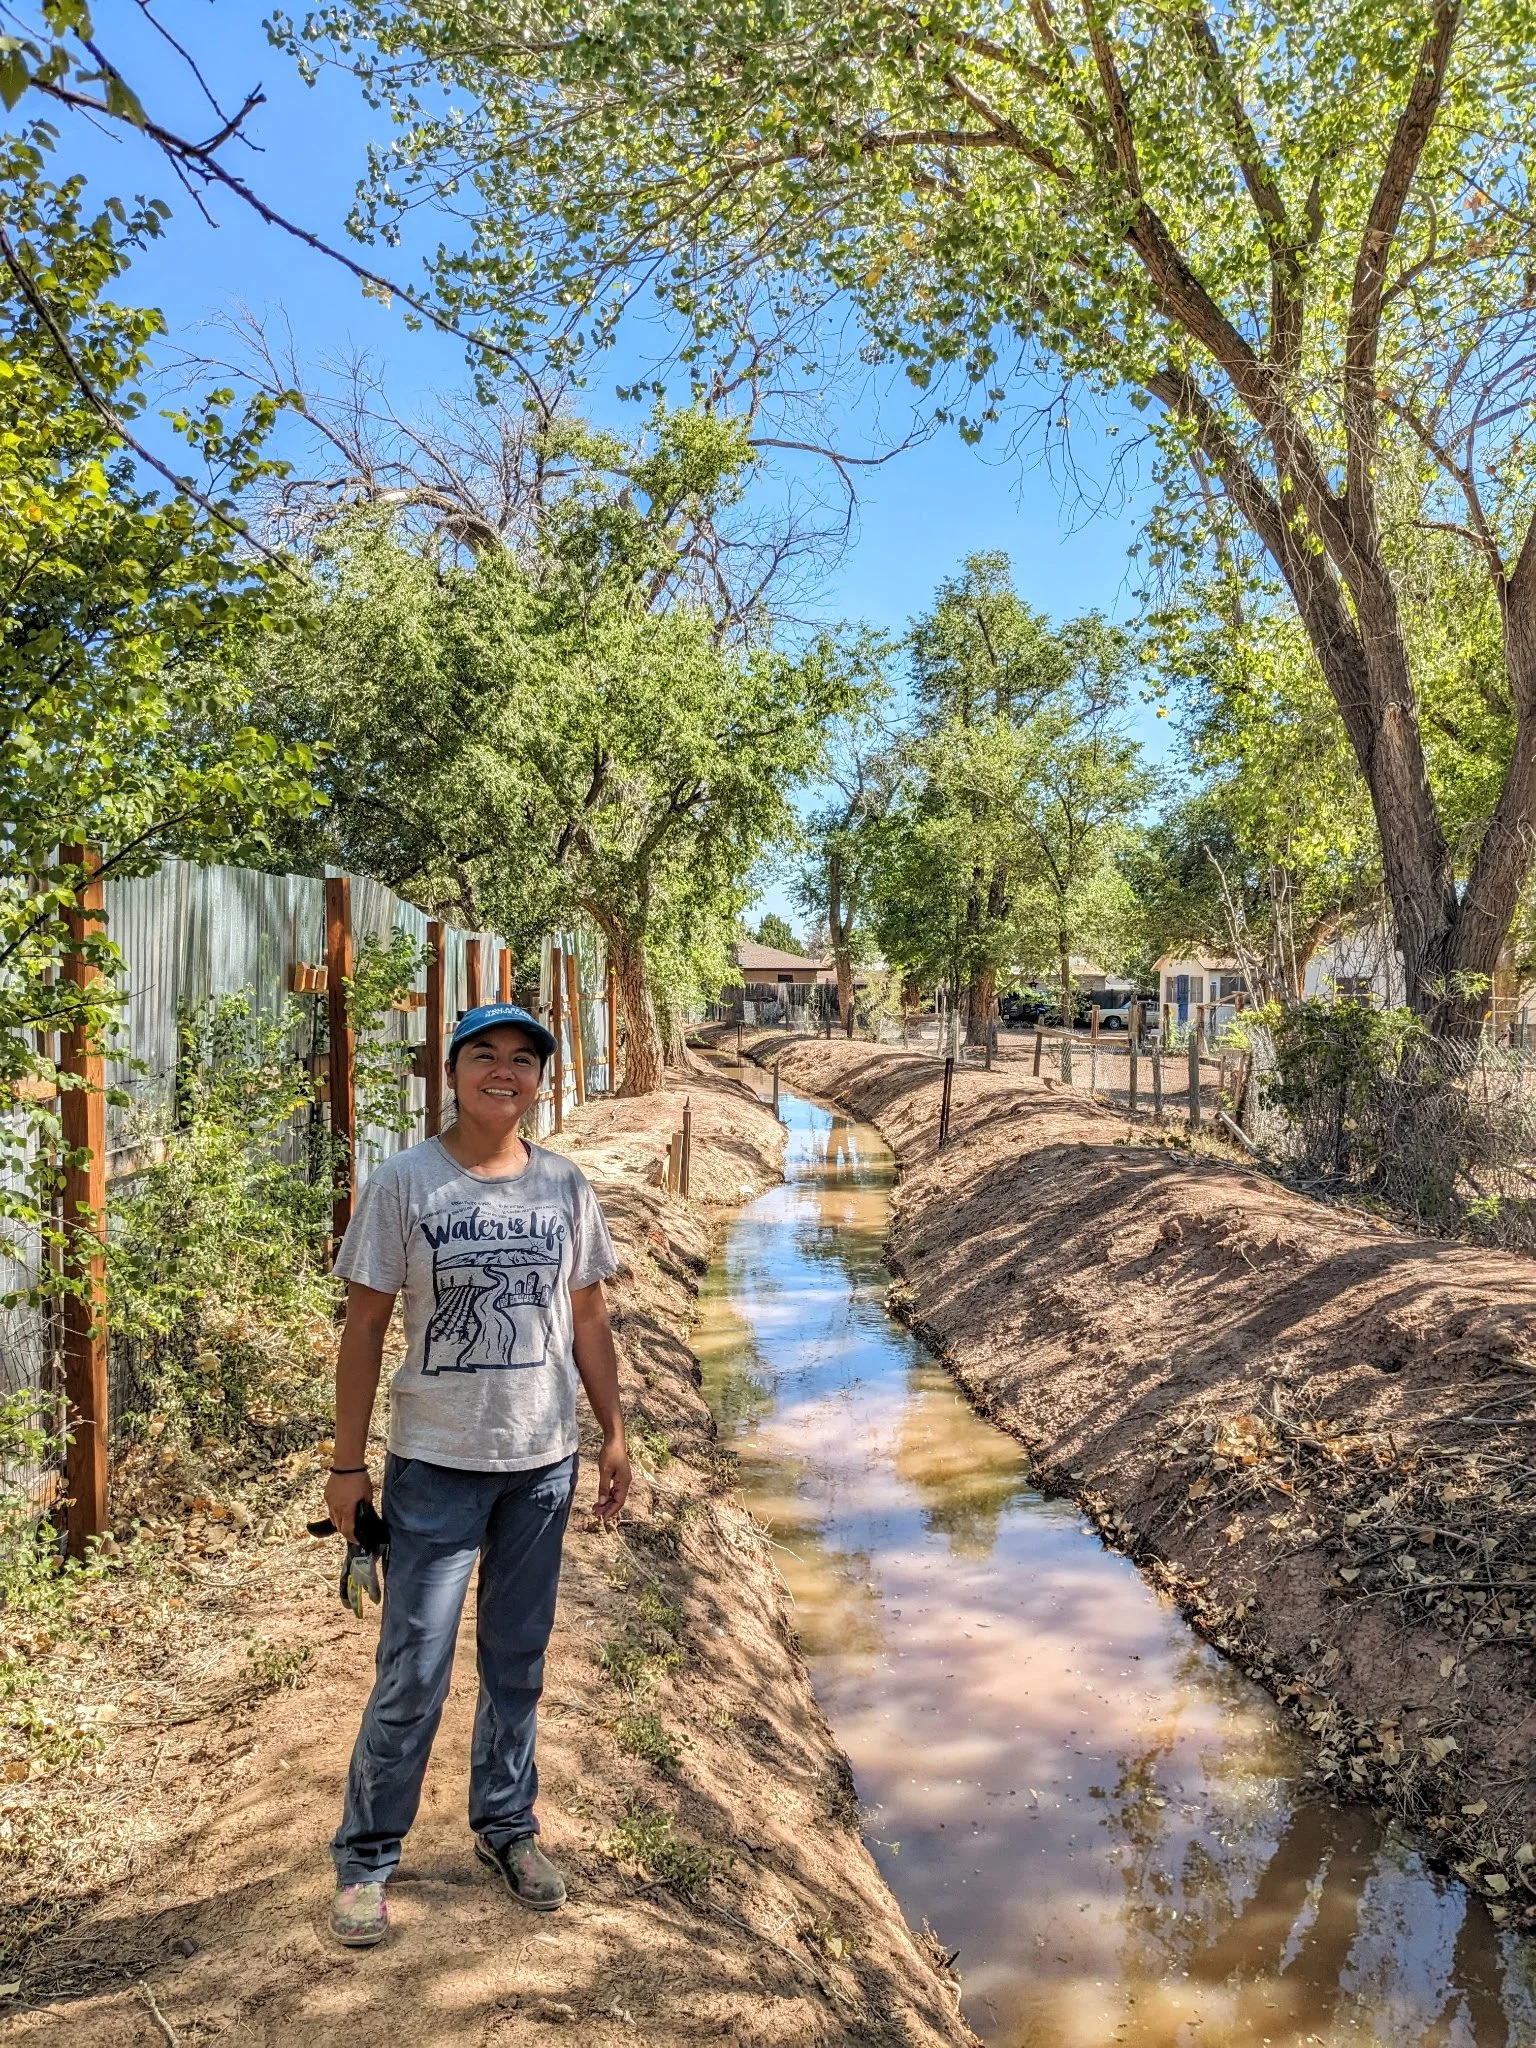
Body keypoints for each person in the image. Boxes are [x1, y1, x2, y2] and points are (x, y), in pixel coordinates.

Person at [323, 1000, 631, 1949]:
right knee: (414, 1670)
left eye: (523, 1059)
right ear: (451, 1073)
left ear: (541, 1079)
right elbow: (365, 1328)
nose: (505, 1071)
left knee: (518, 1661)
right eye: (485, 1055)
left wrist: (615, 1434)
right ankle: (367, 1859)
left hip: (542, 1467)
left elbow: (588, 1322)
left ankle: (506, 1828)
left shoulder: (566, 1186)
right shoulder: (403, 1184)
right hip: (436, 1467)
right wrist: (347, 1466)